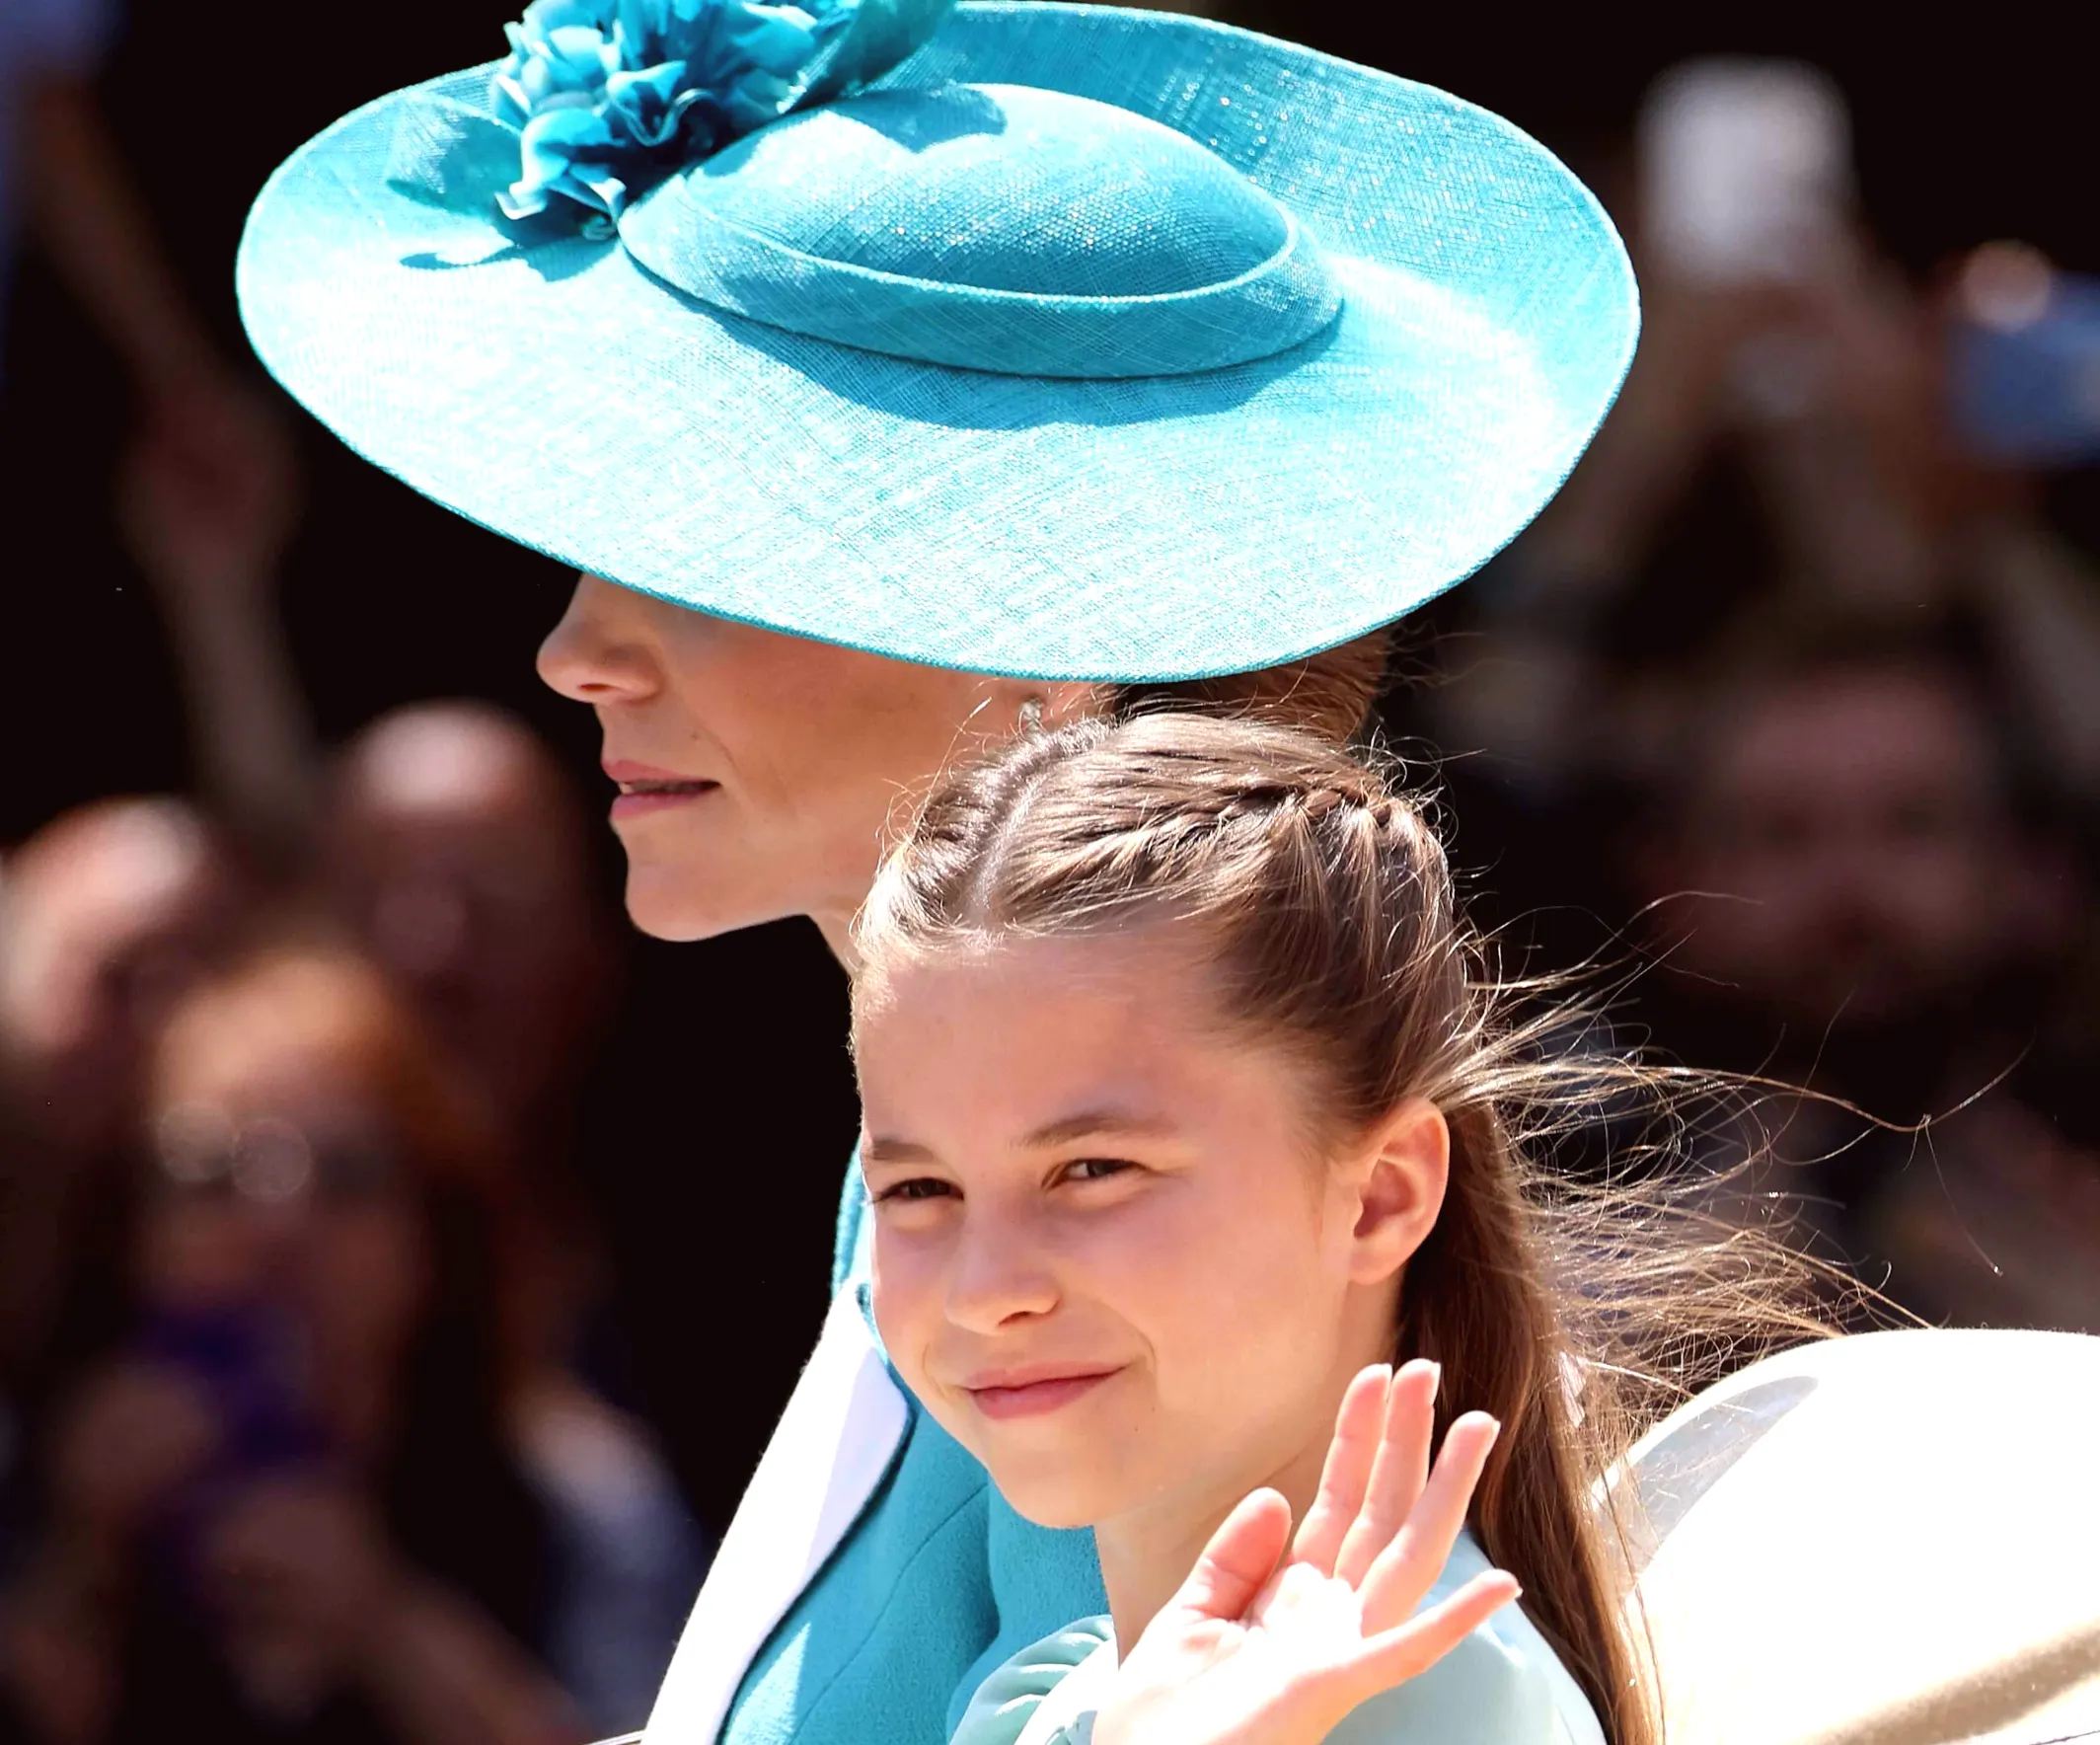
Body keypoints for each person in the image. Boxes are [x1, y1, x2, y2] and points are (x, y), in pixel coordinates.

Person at [231, 2, 1642, 1739]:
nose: (575, 651)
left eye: (706, 561)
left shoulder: (1116, 1355)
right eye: (927, 1194)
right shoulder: (970, 1215)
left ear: (1043, 646)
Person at [848, 713, 1817, 1745]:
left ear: (1382, 1195)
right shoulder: (1060, 1689)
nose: (986, 1288)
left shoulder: (1414, 1693)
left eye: (1093, 1170)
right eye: (918, 1190)